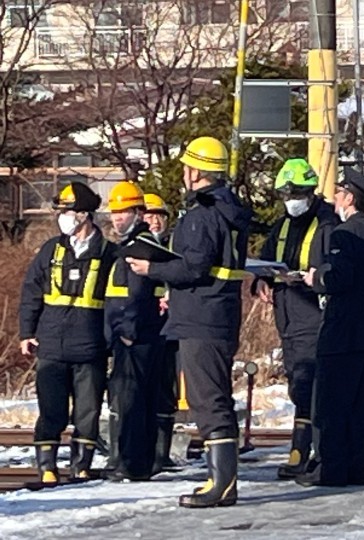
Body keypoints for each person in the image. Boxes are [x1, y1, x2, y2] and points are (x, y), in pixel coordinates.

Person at [127, 136, 252, 508]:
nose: (183, 173)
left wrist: (154, 269)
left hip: (202, 317)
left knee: (207, 399)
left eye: (186, 167)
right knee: (211, 397)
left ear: (196, 171)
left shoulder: (202, 214)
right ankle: (221, 479)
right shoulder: (228, 210)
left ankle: (222, 484)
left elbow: (195, 265)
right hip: (215, 312)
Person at [298, 168, 364, 487]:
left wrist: (317, 278)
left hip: (340, 332)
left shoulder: (344, 234)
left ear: (349, 198)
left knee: (330, 405)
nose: (335, 199)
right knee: (358, 407)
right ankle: (360, 468)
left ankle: (330, 468)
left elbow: (339, 279)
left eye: (339, 194)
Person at [19, 182, 117, 486]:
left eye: (68, 211)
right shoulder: (52, 250)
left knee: (87, 413)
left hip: (90, 347)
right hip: (51, 345)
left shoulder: (108, 254)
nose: (63, 217)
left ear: (85, 215)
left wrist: (112, 340)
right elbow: (31, 292)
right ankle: (47, 467)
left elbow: (117, 301)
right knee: (51, 411)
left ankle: (81, 466)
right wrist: (26, 332)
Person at [255, 158, 338, 479]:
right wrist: (262, 280)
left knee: (308, 385)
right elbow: (265, 259)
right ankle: (303, 450)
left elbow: (330, 268)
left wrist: (308, 277)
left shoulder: (327, 223)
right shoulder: (283, 224)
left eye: (296, 192)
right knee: (298, 383)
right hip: (287, 313)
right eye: (286, 193)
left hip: (312, 314)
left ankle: (304, 451)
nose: (291, 199)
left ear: (309, 191)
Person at [103, 181, 166, 481]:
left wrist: (127, 332)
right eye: (115, 212)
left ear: (139, 213)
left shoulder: (142, 248)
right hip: (129, 335)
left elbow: (137, 296)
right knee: (135, 400)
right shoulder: (126, 247)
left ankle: (132, 462)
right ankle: (136, 461)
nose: (117, 218)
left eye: (124, 212)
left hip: (137, 337)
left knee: (133, 402)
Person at [143, 193, 179, 473]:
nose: (155, 221)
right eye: (149, 215)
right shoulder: (135, 248)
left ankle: (161, 452)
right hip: (144, 327)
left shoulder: (175, 246)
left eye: (160, 216)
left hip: (171, 327)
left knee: (167, 389)